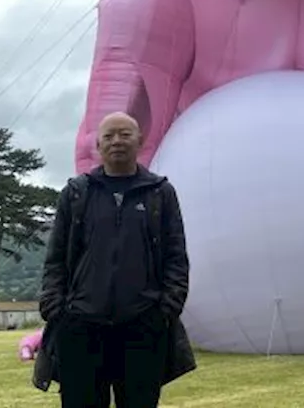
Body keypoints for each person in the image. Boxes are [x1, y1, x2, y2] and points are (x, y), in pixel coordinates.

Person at [37, 112, 195, 407]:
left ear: (140, 140)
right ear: (98, 144)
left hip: (143, 327)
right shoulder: (76, 193)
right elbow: (55, 258)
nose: (117, 142)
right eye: (108, 136)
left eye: (125, 134)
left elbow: (176, 257)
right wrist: (56, 309)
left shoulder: (160, 193)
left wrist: (165, 309)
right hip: (81, 327)